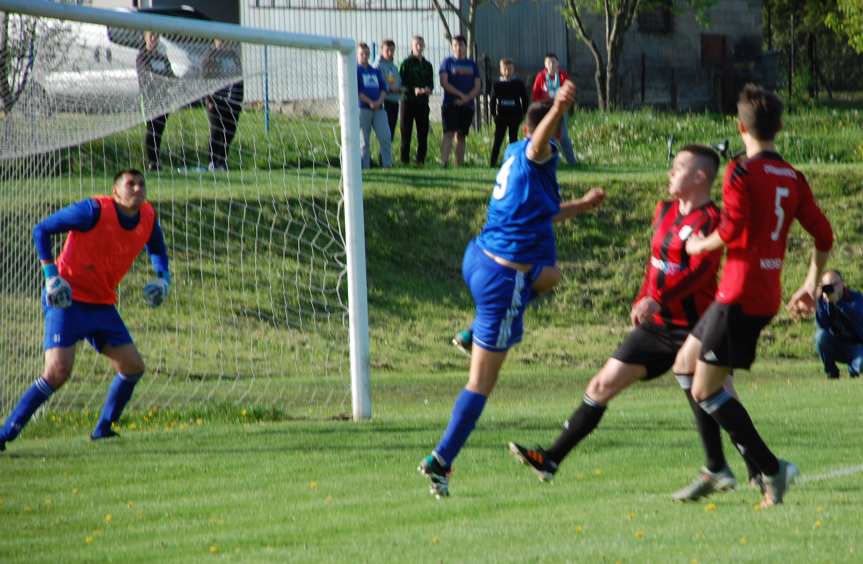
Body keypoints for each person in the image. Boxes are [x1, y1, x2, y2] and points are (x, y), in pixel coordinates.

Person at [508, 145, 761, 499]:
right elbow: (654, 264)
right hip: (657, 325)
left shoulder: (713, 221)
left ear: (700, 176)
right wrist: (643, 298)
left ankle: (756, 469)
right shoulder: (665, 211)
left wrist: (657, 299)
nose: (670, 173)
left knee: (719, 397)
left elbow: (701, 275)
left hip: (699, 326)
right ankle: (550, 458)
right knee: (601, 385)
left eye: (678, 168)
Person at [417, 81, 606, 498]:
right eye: (555, 130)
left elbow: (549, 211)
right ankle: (441, 461)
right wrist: (558, 107)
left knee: (551, 274)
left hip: (478, 258)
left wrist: (584, 205)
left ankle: (473, 332)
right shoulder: (537, 153)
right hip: (502, 279)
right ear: (547, 132)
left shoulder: (514, 152)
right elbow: (541, 142)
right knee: (480, 384)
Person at [674, 84, 834, 507]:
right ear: (779, 127)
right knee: (685, 365)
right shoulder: (792, 177)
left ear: (740, 126)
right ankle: (721, 466)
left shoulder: (740, 172)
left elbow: (731, 231)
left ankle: (770, 469)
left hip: (738, 296)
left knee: (706, 391)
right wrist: (810, 282)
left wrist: (697, 245)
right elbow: (824, 234)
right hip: (759, 293)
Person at [0, 170, 171, 452]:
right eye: (131, 184)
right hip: (67, 300)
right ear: (116, 192)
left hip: (102, 303)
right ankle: (5, 434)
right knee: (57, 371)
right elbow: (41, 230)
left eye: (142, 184)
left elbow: (158, 249)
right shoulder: (92, 210)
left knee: (132, 367)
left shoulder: (149, 217)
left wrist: (163, 278)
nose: (138, 188)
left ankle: (103, 430)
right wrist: (51, 276)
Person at [202, 38, 244, 172]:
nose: (223, 42)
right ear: (215, 41)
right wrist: (208, 99)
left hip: (232, 101)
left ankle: (222, 161)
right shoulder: (210, 56)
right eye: (220, 40)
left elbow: (239, 78)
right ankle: (212, 162)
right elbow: (204, 79)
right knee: (216, 131)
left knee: (229, 132)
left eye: (225, 40)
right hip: (216, 101)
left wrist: (239, 99)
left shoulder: (233, 56)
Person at [439, 35, 481, 167]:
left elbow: (478, 85)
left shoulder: (472, 64)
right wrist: (460, 95)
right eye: (455, 45)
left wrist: (466, 98)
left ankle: (459, 164)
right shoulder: (447, 62)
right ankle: (444, 163)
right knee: (448, 133)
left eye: (461, 45)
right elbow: (444, 83)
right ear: (452, 47)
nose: (458, 48)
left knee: (461, 135)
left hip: (467, 105)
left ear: (465, 46)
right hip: (450, 104)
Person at [136, 31, 175, 172]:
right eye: (150, 36)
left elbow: (170, 76)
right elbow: (147, 77)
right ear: (145, 38)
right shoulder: (142, 57)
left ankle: (157, 161)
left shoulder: (163, 58)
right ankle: (152, 162)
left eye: (156, 36)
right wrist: (161, 82)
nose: (153, 39)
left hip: (163, 100)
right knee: (152, 131)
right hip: (150, 100)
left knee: (159, 131)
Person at [814, 270, 863, 379]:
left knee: (861, 363)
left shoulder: (856, 297)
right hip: (837, 345)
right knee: (820, 336)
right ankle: (831, 372)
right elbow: (822, 324)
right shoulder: (823, 300)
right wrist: (820, 302)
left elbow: (858, 316)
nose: (831, 289)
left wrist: (839, 303)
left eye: (834, 285)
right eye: (827, 286)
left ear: (842, 284)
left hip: (857, 345)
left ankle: (853, 370)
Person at [531, 53, 577, 165]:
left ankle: (572, 162)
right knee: (549, 137)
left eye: (553, 62)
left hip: (561, 110)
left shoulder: (562, 76)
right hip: (546, 111)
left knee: (564, 136)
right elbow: (535, 94)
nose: (551, 64)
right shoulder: (541, 77)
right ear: (545, 64)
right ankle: (551, 162)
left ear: (558, 63)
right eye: (548, 62)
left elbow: (569, 91)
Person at [356, 42, 392, 170]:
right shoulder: (355, 70)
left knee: (385, 136)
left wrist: (378, 102)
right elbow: (357, 91)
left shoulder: (375, 71)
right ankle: (365, 168)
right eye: (362, 54)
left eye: (367, 53)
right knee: (364, 141)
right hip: (363, 109)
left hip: (379, 109)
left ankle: (387, 165)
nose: (365, 56)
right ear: (357, 55)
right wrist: (370, 102)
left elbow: (383, 89)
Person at [399, 35, 434, 165]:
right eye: (416, 45)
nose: (419, 47)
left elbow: (431, 83)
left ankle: (420, 160)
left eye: (421, 44)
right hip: (408, 102)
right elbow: (401, 83)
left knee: (423, 133)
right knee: (406, 133)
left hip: (422, 103)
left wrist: (428, 89)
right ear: (412, 46)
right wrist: (414, 90)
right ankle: (404, 160)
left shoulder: (427, 65)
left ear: (424, 46)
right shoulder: (406, 63)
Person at [489, 58, 529, 167]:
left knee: (513, 140)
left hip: (515, 116)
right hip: (501, 116)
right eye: (505, 69)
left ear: (513, 69)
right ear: (501, 70)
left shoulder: (518, 83)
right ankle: (492, 162)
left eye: (509, 69)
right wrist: (493, 114)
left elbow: (525, 98)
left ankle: (513, 162)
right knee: (498, 139)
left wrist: (523, 113)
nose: (507, 71)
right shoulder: (497, 84)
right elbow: (492, 100)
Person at [375, 39, 402, 143]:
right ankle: (382, 158)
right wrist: (390, 88)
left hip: (394, 101)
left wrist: (400, 88)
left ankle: (386, 157)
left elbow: (398, 81)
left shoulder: (394, 67)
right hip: (384, 102)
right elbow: (377, 83)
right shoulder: (378, 66)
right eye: (387, 50)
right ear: (381, 50)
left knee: (391, 131)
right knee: (384, 132)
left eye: (392, 50)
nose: (390, 53)